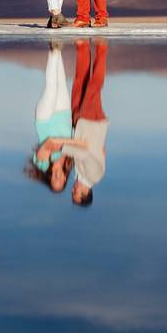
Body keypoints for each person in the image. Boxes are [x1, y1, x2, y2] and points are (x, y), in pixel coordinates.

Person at [25, 42, 87, 192]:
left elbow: (50, 142)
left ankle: (53, 49)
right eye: (61, 181)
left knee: (51, 86)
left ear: (50, 178)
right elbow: (84, 146)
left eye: (54, 180)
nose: (58, 178)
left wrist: (72, 143)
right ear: (65, 179)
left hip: (45, 118)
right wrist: (73, 143)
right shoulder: (69, 162)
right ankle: (57, 47)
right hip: (64, 114)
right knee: (61, 80)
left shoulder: (43, 163)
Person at [62, 38, 109, 207]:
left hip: (80, 122)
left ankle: (82, 47)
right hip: (92, 123)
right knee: (93, 87)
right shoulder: (94, 176)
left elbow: (100, 151)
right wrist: (60, 147)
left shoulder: (80, 174)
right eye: (76, 193)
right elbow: (85, 151)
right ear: (85, 192)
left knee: (79, 82)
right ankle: (101, 48)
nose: (73, 189)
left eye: (73, 192)